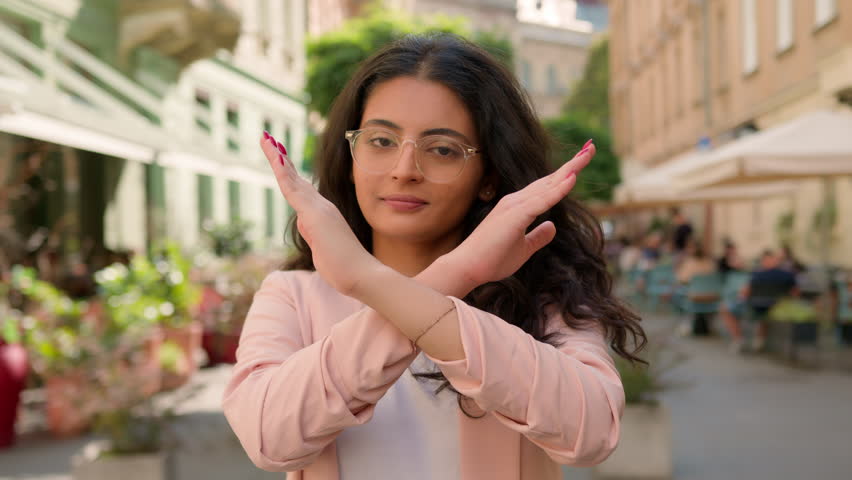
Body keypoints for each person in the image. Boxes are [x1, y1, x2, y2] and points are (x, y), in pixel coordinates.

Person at [222, 34, 645, 480]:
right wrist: (454, 276)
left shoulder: (543, 291)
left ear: (489, 177)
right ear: (350, 156)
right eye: (381, 141)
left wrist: (370, 281)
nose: (404, 170)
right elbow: (267, 438)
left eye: (442, 149)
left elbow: (593, 433)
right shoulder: (292, 295)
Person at [721, 250, 798, 352]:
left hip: (754, 308)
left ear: (764, 262)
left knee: (725, 309)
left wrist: (739, 298)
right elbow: (795, 294)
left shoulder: (756, 275)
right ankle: (760, 340)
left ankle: (738, 339)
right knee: (765, 314)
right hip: (778, 308)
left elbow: (744, 293)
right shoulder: (788, 275)